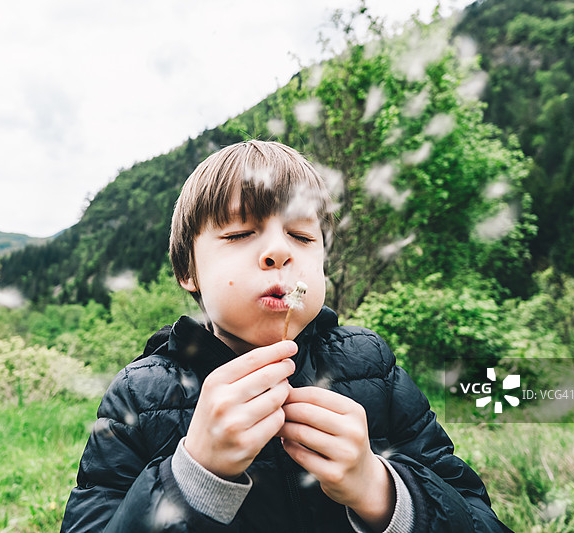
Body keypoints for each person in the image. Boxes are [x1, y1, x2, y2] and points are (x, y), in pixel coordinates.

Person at [61, 140, 512, 532]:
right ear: (188, 271)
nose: (278, 251)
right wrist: (192, 475)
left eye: (300, 235)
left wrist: (378, 489)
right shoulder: (139, 396)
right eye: (239, 233)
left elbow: (477, 516)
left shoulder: (372, 367)